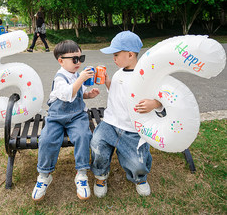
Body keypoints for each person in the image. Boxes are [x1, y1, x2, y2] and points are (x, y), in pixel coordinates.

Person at [90, 31, 163, 198]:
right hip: (110, 123)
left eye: (116, 55)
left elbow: (162, 97)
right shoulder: (119, 73)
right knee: (97, 145)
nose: (114, 59)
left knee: (137, 161)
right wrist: (108, 82)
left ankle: (140, 178)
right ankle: (101, 176)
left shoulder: (145, 76)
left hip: (132, 129)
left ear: (130, 54)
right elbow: (116, 92)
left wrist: (154, 103)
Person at [32, 40, 100, 201]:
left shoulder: (77, 75)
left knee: (83, 136)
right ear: (61, 61)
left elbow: (78, 93)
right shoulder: (60, 77)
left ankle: (81, 174)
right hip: (56, 117)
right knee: (47, 139)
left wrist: (88, 95)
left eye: (80, 58)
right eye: (74, 59)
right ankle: (44, 175)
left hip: (76, 116)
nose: (78, 63)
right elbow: (67, 94)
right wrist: (81, 79)